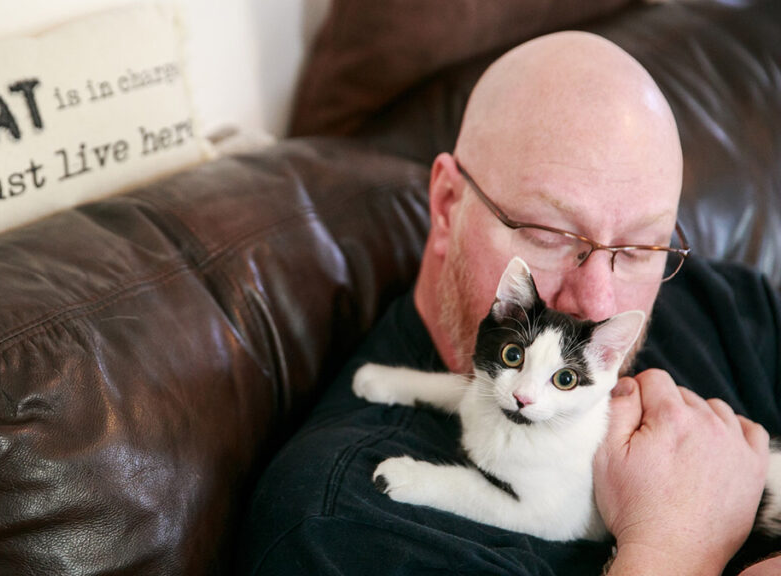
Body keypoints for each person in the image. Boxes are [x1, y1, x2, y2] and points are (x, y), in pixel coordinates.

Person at [238, 31, 781, 575]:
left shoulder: (725, 306)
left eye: (640, 248)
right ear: (447, 205)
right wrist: (673, 545)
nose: (598, 302)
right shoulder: (344, 525)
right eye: (549, 234)